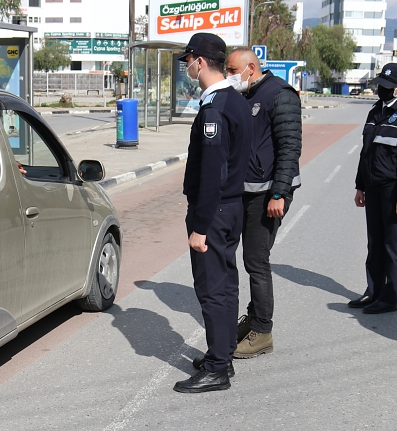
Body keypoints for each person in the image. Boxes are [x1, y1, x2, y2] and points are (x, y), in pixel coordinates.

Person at [172, 33, 252, 394]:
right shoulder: (234, 99)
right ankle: (222, 354)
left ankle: (218, 368)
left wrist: (200, 225)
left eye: (188, 60)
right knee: (226, 284)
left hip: (215, 212)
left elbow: (212, 172)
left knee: (213, 289)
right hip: (230, 207)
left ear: (200, 61)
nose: (187, 66)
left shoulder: (216, 106)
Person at [224, 48, 302, 359]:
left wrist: (279, 193)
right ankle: (254, 318)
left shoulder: (279, 94)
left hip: (269, 192)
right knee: (251, 258)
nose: (230, 74)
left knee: (256, 261)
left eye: (232, 69)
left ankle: (263, 331)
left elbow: (290, 146)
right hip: (248, 189)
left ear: (251, 67)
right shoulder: (244, 95)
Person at [350, 63, 397, 314]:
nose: (383, 89)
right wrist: (360, 186)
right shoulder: (375, 112)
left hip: (393, 191)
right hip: (372, 187)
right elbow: (366, 153)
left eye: (389, 86)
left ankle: (389, 298)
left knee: (392, 245)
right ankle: (373, 291)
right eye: (381, 84)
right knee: (375, 242)